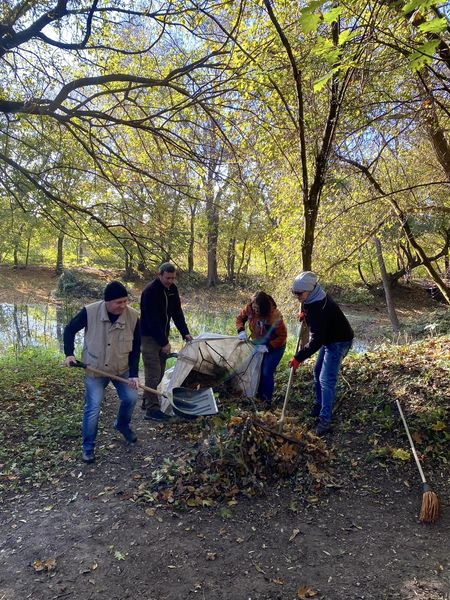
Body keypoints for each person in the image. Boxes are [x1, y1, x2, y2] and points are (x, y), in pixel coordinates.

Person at [64, 281, 140, 464]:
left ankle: (121, 425)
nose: (123, 306)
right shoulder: (89, 312)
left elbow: (136, 347)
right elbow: (69, 330)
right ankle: (88, 448)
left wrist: (134, 373)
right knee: (93, 408)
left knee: (131, 398)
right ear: (107, 302)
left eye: (125, 301)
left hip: (121, 368)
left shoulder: (134, 317)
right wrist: (69, 353)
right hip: (95, 368)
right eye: (118, 302)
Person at [289, 271, 353, 436]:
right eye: (294, 293)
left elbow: (316, 341)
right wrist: (305, 315)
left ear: (309, 290)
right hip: (328, 338)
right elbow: (314, 317)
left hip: (339, 341)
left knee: (326, 379)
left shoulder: (319, 307)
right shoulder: (312, 297)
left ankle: (325, 421)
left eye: (299, 293)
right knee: (317, 371)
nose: (297, 297)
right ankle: (319, 405)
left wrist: (298, 358)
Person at [140, 263, 193, 421]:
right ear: (160, 275)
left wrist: (185, 333)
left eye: (173, 278)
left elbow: (177, 313)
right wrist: (163, 342)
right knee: (153, 373)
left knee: (160, 373)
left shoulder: (172, 290)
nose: (170, 281)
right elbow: (151, 321)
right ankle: (152, 409)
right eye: (168, 278)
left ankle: (147, 398)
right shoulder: (150, 292)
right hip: (149, 336)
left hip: (163, 335)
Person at [236, 291, 287, 403]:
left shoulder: (274, 315)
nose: (255, 311)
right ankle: (257, 395)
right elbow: (239, 319)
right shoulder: (250, 308)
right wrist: (241, 331)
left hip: (276, 346)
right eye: (254, 308)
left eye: (258, 309)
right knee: (256, 368)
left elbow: (282, 336)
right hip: (258, 343)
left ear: (264, 308)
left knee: (266, 370)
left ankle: (266, 399)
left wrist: (268, 346)